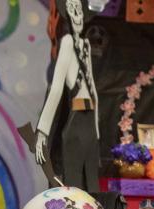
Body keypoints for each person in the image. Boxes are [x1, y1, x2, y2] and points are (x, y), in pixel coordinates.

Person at [35, 0, 100, 192]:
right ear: (68, 16)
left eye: (80, 11)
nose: (78, 17)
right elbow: (56, 88)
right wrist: (42, 132)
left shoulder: (86, 45)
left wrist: (97, 127)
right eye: (73, 11)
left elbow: (93, 88)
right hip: (76, 120)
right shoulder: (67, 43)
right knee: (74, 185)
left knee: (92, 183)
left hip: (89, 122)